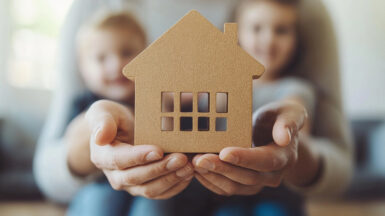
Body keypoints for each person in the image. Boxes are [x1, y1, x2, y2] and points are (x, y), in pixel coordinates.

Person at [35, 0, 353, 215]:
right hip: (136, 182)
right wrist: (84, 145)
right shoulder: (94, 10)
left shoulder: (301, 13)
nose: (116, 65)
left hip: (217, 184)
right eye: (257, 29)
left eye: (125, 53)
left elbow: (336, 161)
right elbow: (47, 168)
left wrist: (300, 156)